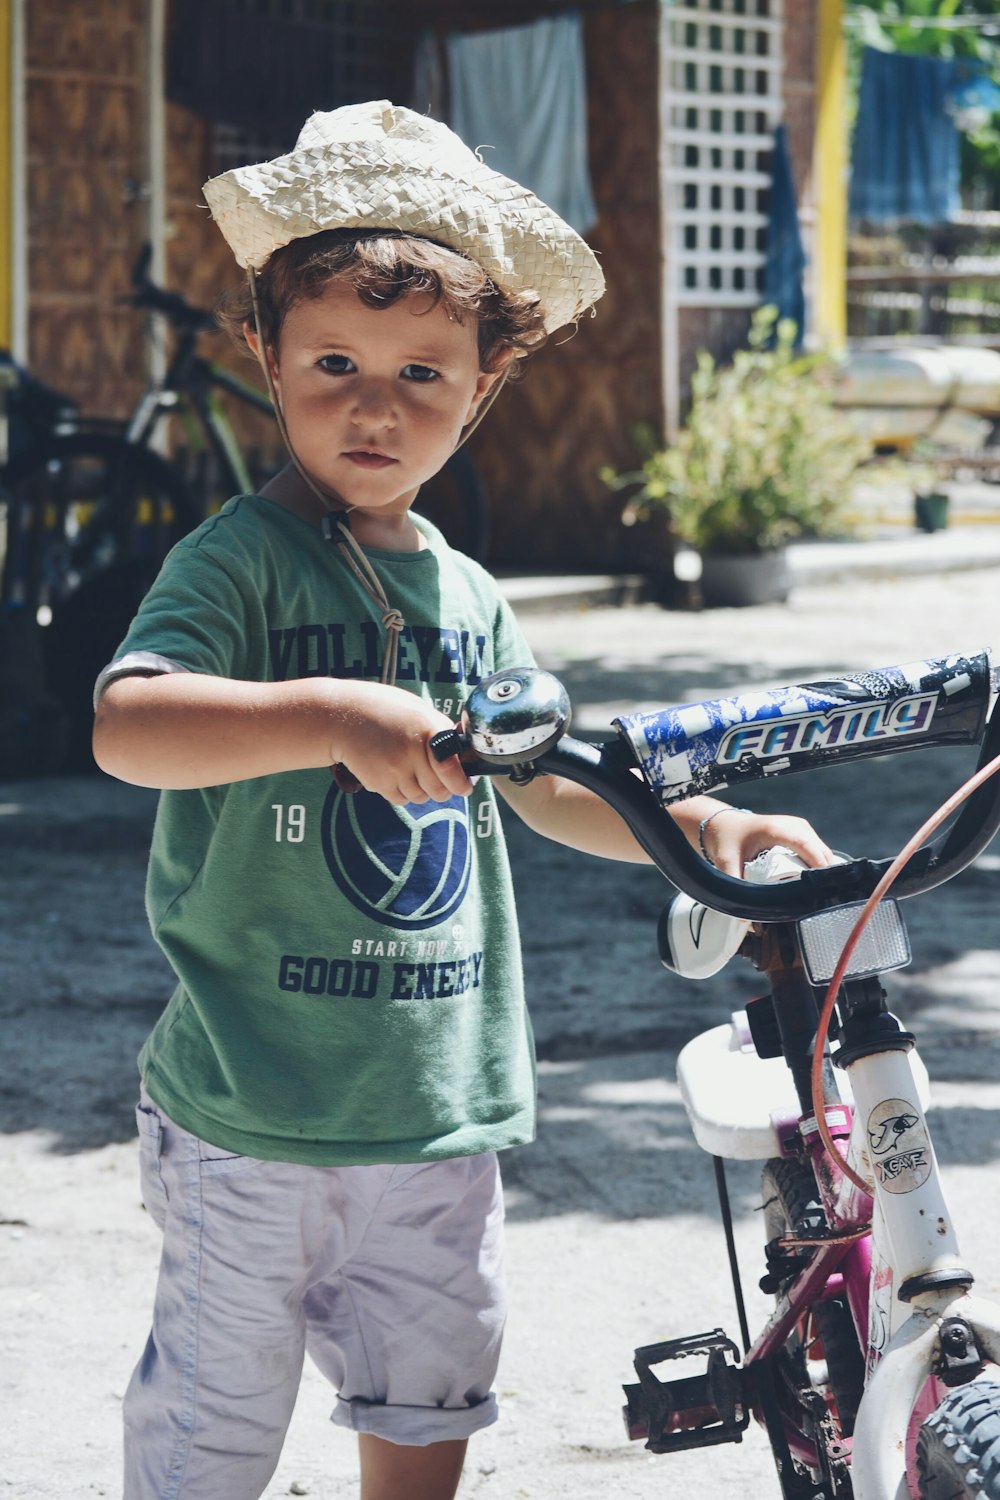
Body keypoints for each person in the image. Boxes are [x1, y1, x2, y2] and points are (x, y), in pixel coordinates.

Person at [92, 101, 833, 1500]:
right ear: (264, 358)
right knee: (209, 1437)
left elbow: (551, 783)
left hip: (436, 1117)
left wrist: (704, 836)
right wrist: (322, 716)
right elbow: (129, 728)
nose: (376, 406)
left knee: (431, 1412)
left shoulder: (474, 600)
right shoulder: (234, 564)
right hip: (252, 1110)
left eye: (424, 375)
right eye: (333, 362)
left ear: (482, 389)